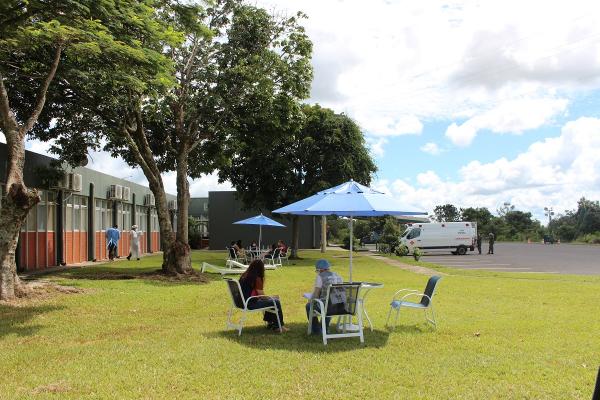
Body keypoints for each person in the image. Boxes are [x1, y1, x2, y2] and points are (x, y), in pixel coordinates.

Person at [239, 259, 288, 332]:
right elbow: (262, 296)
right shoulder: (257, 278)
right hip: (249, 303)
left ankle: (271, 323)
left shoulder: (244, 275)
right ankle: (279, 326)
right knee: (275, 301)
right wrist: (272, 297)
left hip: (240, 302)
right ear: (260, 269)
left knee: (271, 301)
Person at [305, 259, 343, 334]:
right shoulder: (338, 275)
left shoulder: (320, 276)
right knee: (329, 303)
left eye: (317, 270)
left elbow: (316, 294)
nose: (317, 272)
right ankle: (325, 327)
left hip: (327, 307)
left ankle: (317, 330)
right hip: (340, 306)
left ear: (320, 270)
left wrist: (310, 299)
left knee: (309, 306)